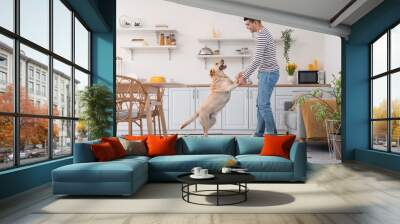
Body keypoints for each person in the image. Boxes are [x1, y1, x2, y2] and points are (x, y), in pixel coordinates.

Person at [237, 17, 280, 136]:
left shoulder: (262, 35)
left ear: (255, 22)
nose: (247, 27)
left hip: (269, 73)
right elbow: (259, 60)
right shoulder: (264, 33)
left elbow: (257, 60)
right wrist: (244, 72)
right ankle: (259, 134)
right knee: (260, 104)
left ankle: (272, 136)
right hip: (266, 73)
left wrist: (245, 76)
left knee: (263, 105)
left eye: (248, 24)